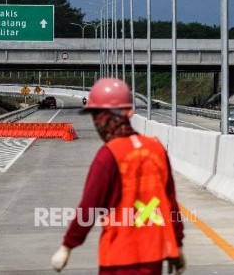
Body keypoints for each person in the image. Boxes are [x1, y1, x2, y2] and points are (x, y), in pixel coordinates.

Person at [51, 78, 186, 275]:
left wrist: (67, 247)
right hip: (153, 257)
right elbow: (170, 203)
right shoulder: (155, 149)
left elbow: (88, 208)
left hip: (118, 259)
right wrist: (177, 245)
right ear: (129, 112)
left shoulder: (108, 156)